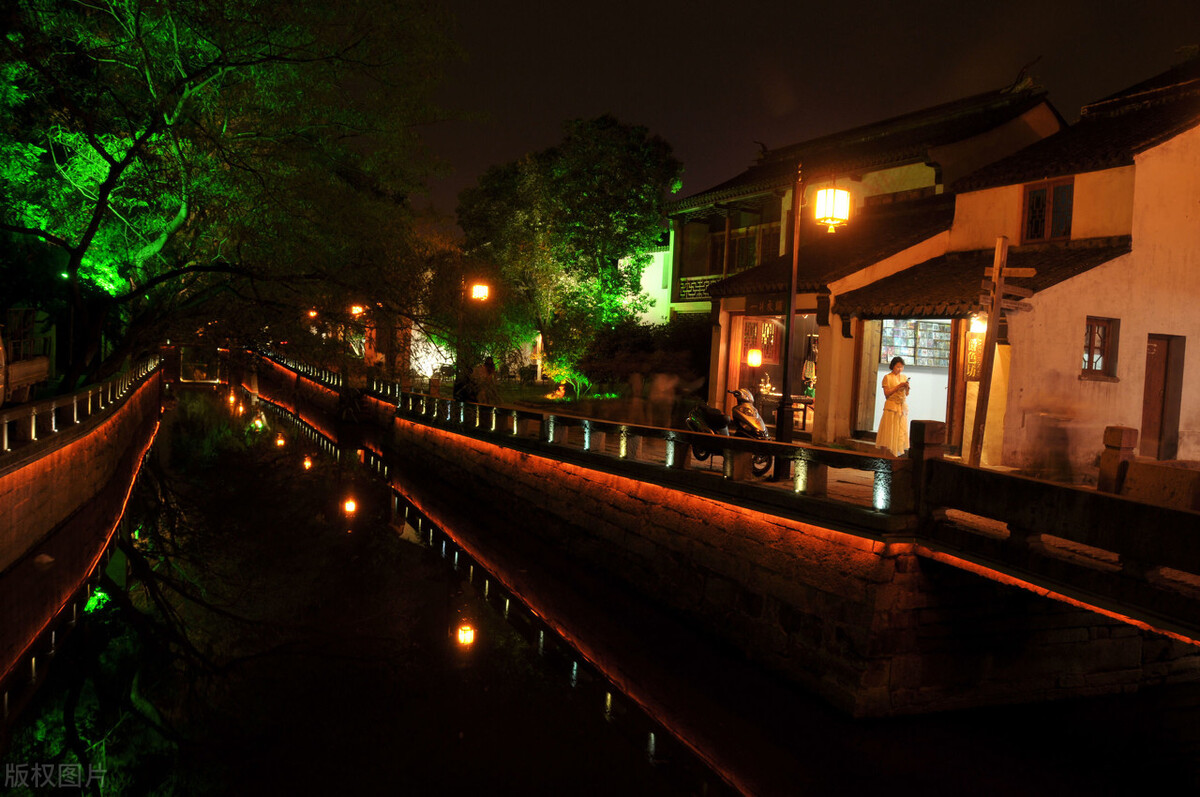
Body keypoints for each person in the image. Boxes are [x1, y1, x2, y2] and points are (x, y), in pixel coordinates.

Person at [877, 356, 910, 456]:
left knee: (899, 431)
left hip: (901, 406)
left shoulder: (904, 377)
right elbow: (887, 393)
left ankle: (895, 455)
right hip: (891, 407)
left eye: (901, 367)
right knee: (888, 430)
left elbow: (906, 394)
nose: (899, 369)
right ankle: (883, 455)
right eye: (898, 367)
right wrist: (898, 386)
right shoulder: (887, 377)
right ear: (893, 366)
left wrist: (907, 387)